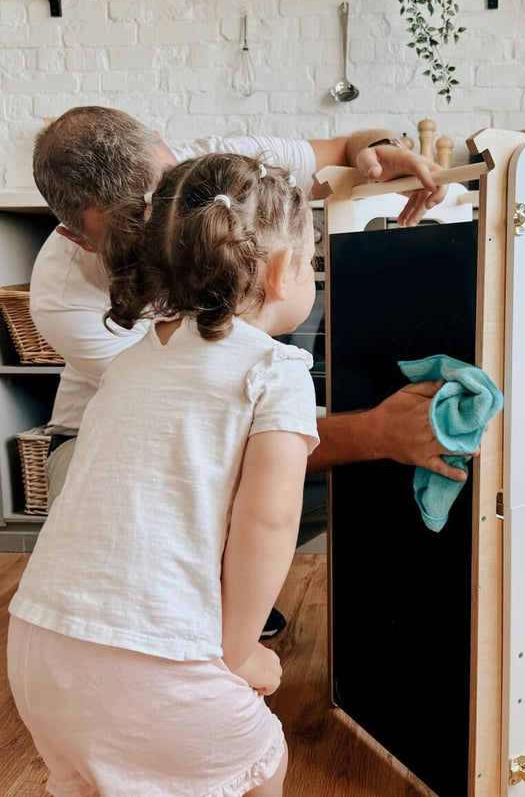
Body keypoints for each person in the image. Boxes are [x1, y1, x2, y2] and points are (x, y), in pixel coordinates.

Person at [29, 107, 467, 636]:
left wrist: (376, 147)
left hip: (207, 420)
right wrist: (377, 432)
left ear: (175, 158)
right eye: (128, 230)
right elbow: (199, 435)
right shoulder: (63, 298)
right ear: (77, 238)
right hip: (111, 438)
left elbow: (347, 145)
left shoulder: (214, 170)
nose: (162, 239)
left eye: (166, 203)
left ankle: (215, 590)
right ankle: (182, 601)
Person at [9, 152, 320, 797]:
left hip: (40, 650)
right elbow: (267, 521)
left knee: (95, 778)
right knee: (263, 757)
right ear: (283, 269)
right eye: (312, 260)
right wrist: (238, 652)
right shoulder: (276, 369)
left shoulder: (128, 363)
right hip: (152, 670)